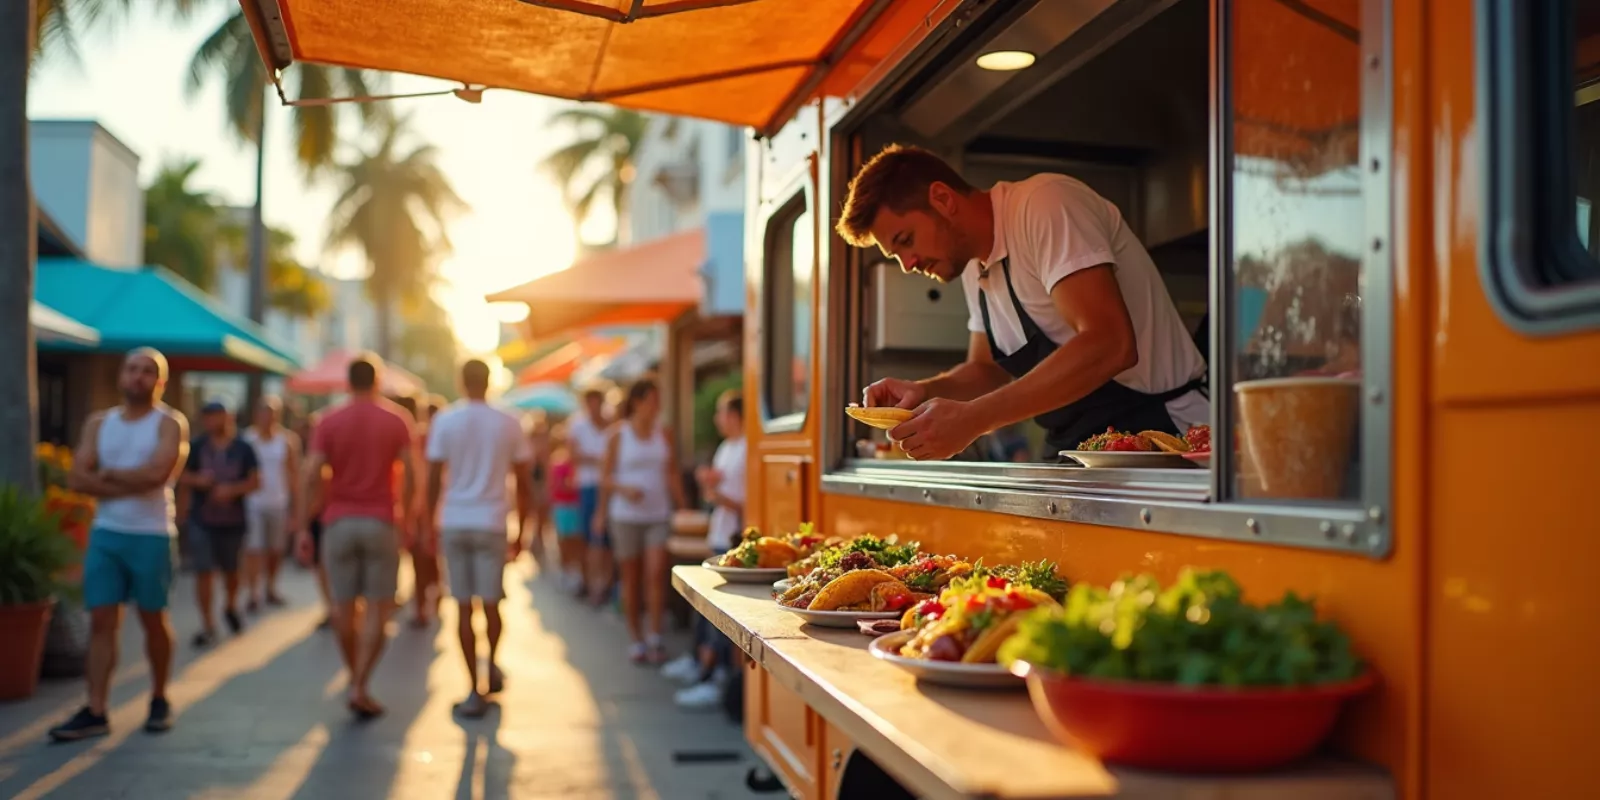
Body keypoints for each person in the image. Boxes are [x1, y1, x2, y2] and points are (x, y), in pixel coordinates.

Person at [836, 144, 1209, 461]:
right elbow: (986, 371)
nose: (908, 264)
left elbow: (1110, 343)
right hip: (1079, 452)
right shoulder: (973, 267)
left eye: (905, 240)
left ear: (943, 199)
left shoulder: (1045, 204)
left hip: (1168, 438)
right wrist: (925, 391)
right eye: (896, 255)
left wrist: (974, 419)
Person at [49, 348, 189, 741]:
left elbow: (158, 474)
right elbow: (76, 478)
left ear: (159, 382)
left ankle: (159, 698)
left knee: (152, 619)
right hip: (107, 534)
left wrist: (106, 476)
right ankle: (96, 709)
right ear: (121, 376)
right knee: (101, 621)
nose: (138, 377)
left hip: (152, 535)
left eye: (148, 372)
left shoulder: (170, 423)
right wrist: (124, 478)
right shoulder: (99, 423)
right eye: (132, 369)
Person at [296, 355, 418, 719]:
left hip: (338, 523)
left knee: (343, 609)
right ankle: (361, 683)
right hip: (381, 521)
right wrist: (408, 517)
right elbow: (413, 474)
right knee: (380, 608)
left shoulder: (328, 421)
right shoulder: (398, 419)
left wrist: (304, 526)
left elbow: (310, 473)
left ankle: (354, 678)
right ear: (378, 381)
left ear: (347, 383)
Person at [423, 360, 533, 718]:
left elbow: (433, 477)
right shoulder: (508, 422)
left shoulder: (445, 420)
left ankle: (474, 688)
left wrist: (428, 522)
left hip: (455, 519)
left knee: (463, 608)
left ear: (460, 381)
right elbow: (523, 479)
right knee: (492, 603)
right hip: (492, 521)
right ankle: (492, 665)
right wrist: (524, 528)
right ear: (489, 382)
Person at [594, 378, 685, 664]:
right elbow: (605, 478)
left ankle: (655, 636)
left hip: (658, 514)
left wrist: (684, 506)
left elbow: (671, 472)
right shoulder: (617, 435)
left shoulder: (663, 433)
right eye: (652, 400)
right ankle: (637, 639)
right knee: (631, 578)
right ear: (637, 402)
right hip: (625, 517)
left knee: (656, 574)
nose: (657, 407)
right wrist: (619, 494)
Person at [666, 390, 745, 709]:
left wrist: (715, 494)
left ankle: (716, 675)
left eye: (721, 412)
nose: (716, 419)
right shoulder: (728, 447)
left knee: (721, 615)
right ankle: (700, 665)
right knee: (706, 609)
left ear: (735, 416)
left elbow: (748, 502)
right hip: (719, 534)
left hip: (733, 538)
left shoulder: (748, 449)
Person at [180, 401, 260, 647]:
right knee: (203, 570)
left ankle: (230, 605)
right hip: (202, 519)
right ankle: (207, 624)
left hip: (233, 521)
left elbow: (255, 481)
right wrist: (198, 481)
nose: (215, 422)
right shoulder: (196, 447)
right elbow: (180, 475)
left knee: (231, 570)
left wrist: (232, 490)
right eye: (210, 417)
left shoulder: (244, 448)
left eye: (219, 416)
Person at [242, 396, 301, 612]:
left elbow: (294, 474)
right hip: (252, 503)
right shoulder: (247, 439)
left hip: (278, 502)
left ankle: (271, 587)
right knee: (254, 549)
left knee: (275, 549)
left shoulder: (287, 440)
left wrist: (296, 509)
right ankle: (253, 592)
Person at [568, 387, 613, 606]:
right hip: (587, 487)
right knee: (588, 538)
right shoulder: (578, 426)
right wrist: (598, 461)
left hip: (607, 487)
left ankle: (603, 583)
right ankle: (589, 581)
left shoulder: (611, 426)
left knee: (604, 540)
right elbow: (574, 455)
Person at [546, 429, 586, 593]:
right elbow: (554, 486)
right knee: (564, 541)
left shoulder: (578, 465)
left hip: (574, 506)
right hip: (563, 507)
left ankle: (576, 575)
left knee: (576, 541)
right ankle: (566, 572)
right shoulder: (557, 463)